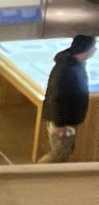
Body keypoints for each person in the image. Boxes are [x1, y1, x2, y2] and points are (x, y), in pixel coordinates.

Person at [41, 33, 95, 163]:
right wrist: (59, 124)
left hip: (67, 120)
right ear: (85, 49)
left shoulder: (75, 64)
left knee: (65, 151)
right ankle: (33, 175)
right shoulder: (66, 68)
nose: (95, 50)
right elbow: (57, 97)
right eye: (93, 47)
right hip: (62, 122)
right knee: (59, 154)